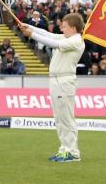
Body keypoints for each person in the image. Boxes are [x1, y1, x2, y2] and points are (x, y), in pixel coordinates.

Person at [20, 14, 85, 162]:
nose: (61, 27)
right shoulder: (67, 38)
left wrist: (32, 34)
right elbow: (50, 35)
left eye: (65, 25)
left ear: (74, 28)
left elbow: (52, 43)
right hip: (56, 80)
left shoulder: (76, 40)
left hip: (64, 80)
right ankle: (64, 149)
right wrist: (29, 27)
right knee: (59, 118)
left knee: (66, 118)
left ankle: (72, 152)